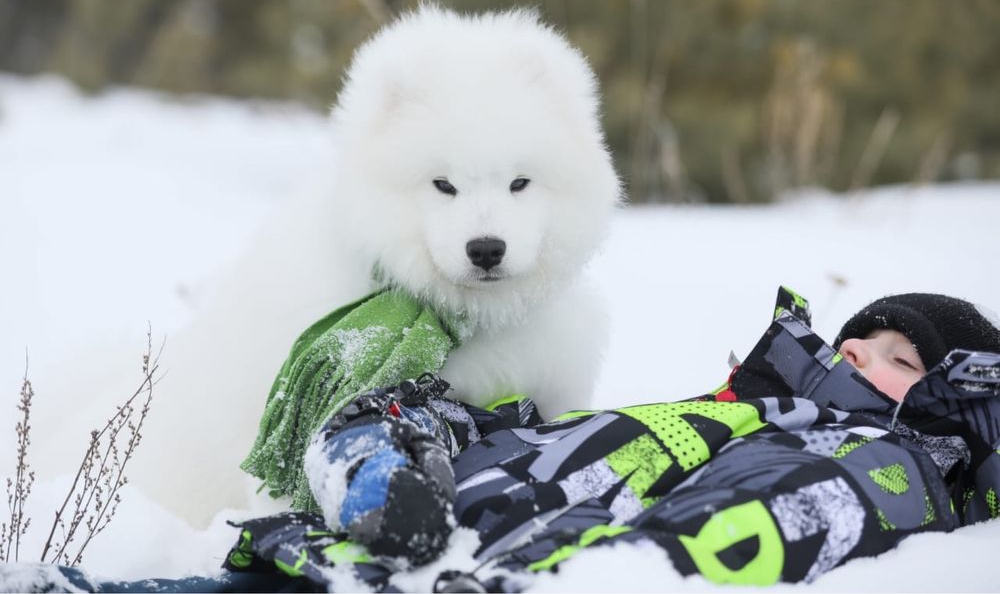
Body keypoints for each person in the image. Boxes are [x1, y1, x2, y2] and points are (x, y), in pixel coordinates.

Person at [24, 288, 1000, 593]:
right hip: (356, 556)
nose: (855, 358)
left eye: (897, 361)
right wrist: (398, 440)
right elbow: (540, 447)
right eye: (852, 340)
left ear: (951, 404)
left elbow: (690, 558)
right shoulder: (733, 408)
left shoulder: (870, 465)